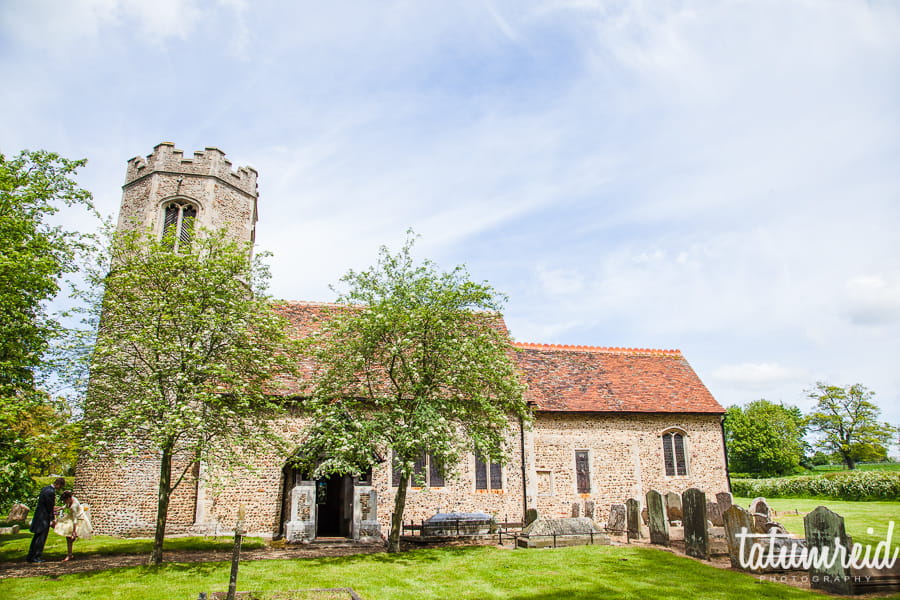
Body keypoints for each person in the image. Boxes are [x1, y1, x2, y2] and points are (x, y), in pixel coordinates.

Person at [26, 477, 65, 563]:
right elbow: (49, 507)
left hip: (38, 516)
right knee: (41, 538)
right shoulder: (51, 492)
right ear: (58, 484)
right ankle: (36, 556)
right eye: (60, 487)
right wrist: (52, 519)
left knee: (36, 537)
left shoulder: (45, 489)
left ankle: (31, 555)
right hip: (44, 518)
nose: (59, 489)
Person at [53, 490, 93, 561]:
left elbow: (75, 520)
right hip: (73, 517)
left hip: (79, 519)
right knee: (68, 537)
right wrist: (60, 508)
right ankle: (70, 554)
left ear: (68, 498)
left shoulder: (74, 506)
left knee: (70, 537)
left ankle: (69, 554)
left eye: (65, 500)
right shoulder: (72, 499)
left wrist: (74, 531)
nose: (64, 502)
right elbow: (66, 505)